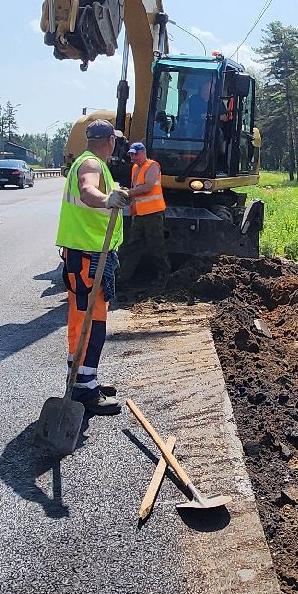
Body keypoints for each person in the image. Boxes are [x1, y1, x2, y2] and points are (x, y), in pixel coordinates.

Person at [58, 120, 129, 414]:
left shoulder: (85, 161)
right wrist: (107, 199)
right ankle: (85, 391)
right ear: (110, 141)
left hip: (83, 256)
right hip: (88, 258)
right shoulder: (92, 165)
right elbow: (88, 191)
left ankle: (81, 379)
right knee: (93, 323)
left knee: (79, 319)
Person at [123, 141, 169, 280]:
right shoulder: (135, 168)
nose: (132, 157)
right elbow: (137, 188)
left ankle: (165, 275)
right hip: (139, 213)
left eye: (135, 154)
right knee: (133, 245)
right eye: (130, 154)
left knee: (156, 246)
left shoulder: (153, 166)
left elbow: (148, 187)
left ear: (143, 153)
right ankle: (123, 277)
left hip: (153, 213)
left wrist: (128, 193)